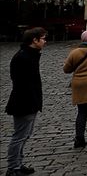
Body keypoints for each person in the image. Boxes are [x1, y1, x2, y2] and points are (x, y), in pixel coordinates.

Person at [5, 27, 47, 176]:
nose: (45, 41)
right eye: (42, 38)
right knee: (19, 136)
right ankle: (13, 167)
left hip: (30, 102)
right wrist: (32, 101)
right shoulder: (23, 57)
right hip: (24, 103)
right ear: (34, 40)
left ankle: (18, 163)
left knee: (25, 135)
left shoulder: (30, 55)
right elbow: (22, 83)